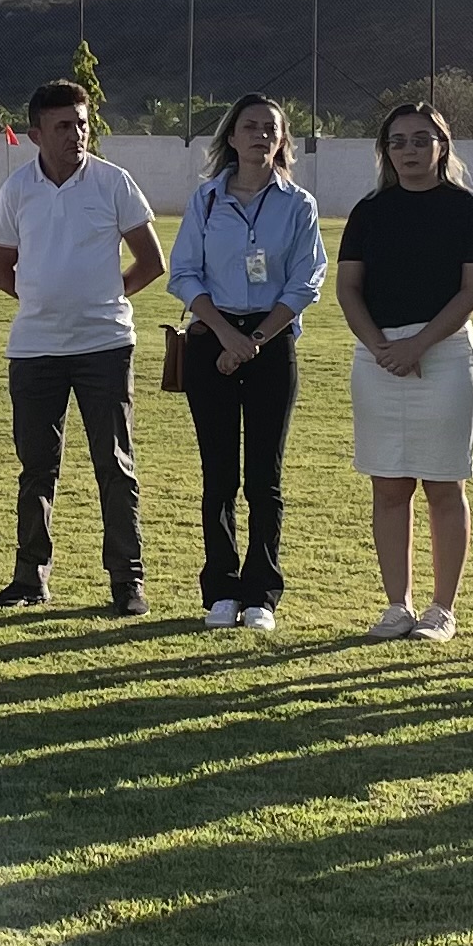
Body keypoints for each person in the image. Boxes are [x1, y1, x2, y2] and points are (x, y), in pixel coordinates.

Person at [0, 82, 163, 618]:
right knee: (36, 469)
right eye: (63, 125)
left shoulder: (114, 182)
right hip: (34, 350)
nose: (76, 134)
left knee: (115, 465)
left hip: (105, 345)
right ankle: (30, 578)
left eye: (82, 123)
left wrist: (104, 296)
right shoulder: (17, 189)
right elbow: (0, 269)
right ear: (36, 134)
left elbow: (152, 262)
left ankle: (127, 581)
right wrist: (44, 301)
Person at [161, 93, 325, 634]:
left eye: (271, 128)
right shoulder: (206, 200)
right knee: (219, 476)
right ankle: (221, 588)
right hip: (213, 339)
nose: (261, 136)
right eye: (250, 126)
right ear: (231, 136)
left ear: (282, 141)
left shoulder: (298, 204)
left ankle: (262, 592)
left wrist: (253, 340)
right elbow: (184, 273)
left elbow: (306, 281)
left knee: (264, 478)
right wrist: (228, 336)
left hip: (270, 344)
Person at [337, 99, 473, 640]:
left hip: (444, 356)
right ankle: (397, 606)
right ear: (386, 151)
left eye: (421, 139)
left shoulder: (468, 210)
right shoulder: (369, 211)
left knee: (444, 486)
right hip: (378, 356)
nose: (409, 150)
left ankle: (441, 609)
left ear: (442, 146)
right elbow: (348, 288)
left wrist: (419, 346)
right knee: (389, 486)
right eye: (398, 141)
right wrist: (383, 347)